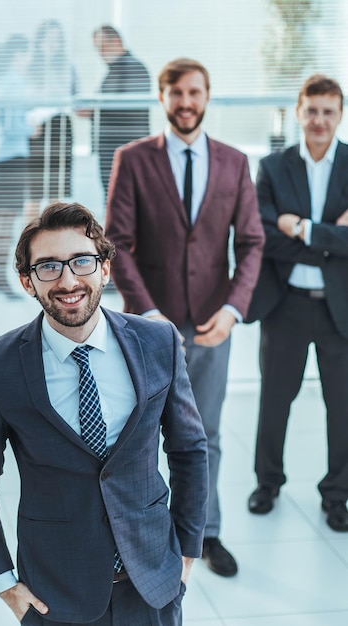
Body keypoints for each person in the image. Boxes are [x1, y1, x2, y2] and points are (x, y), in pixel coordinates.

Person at [0, 202, 208, 625]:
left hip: (152, 582)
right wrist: (3, 582)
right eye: (48, 267)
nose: (68, 280)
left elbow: (190, 449)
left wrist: (187, 551)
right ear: (27, 281)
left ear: (105, 268)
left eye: (82, 261)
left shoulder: (158, 341)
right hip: (54, 592)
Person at [106, 58, 265, 577]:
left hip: (211, 326)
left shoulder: (234, 162)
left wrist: (233, 309)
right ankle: (144, 535)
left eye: (195, 92)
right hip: (148, 330)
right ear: (162, 97)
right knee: (143, 434)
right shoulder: (132, 159)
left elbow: (251, 242)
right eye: (176, 93)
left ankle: (204, 531)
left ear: (207, 95)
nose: (186, 102)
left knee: (206, 434)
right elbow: (117, 244)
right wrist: (148, 312)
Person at [246, 74, 348, 532]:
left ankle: (337, 495)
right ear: (298, 112)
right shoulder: (272, 166)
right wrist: (333, 237)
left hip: (339, 306)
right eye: (312, 110)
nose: (320, 120)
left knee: (343, 405)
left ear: (340, 114)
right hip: (285, 303)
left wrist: (303, 229)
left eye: (329, 111)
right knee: (275, 400)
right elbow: (264, 237)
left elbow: (288, 232)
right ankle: (267, 483)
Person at [0, 34, 34, 298]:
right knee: (4, 219)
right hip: (12, 156)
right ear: (19, 55)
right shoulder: (15, 83)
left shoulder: (0, 81)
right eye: (27, 54)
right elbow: (13, 125)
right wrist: (32, 128)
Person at [24, 20, 77, 220]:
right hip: (35, 127)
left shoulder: (67, 66)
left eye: (56, 40)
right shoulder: (29, 66)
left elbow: (74, 97)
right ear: (39, 41)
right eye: (48, 39)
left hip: (60, 124)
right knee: (34, 191)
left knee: (56, 188)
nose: (52, 44)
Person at [91, 25, 151, 193]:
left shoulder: (135, 68)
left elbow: (130, 109)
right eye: (97, 49)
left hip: (124, 148)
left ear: (116, 41)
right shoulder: (114, 71)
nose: (100, 53)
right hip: (112, 149)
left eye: (102, 47)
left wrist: (95, 110)